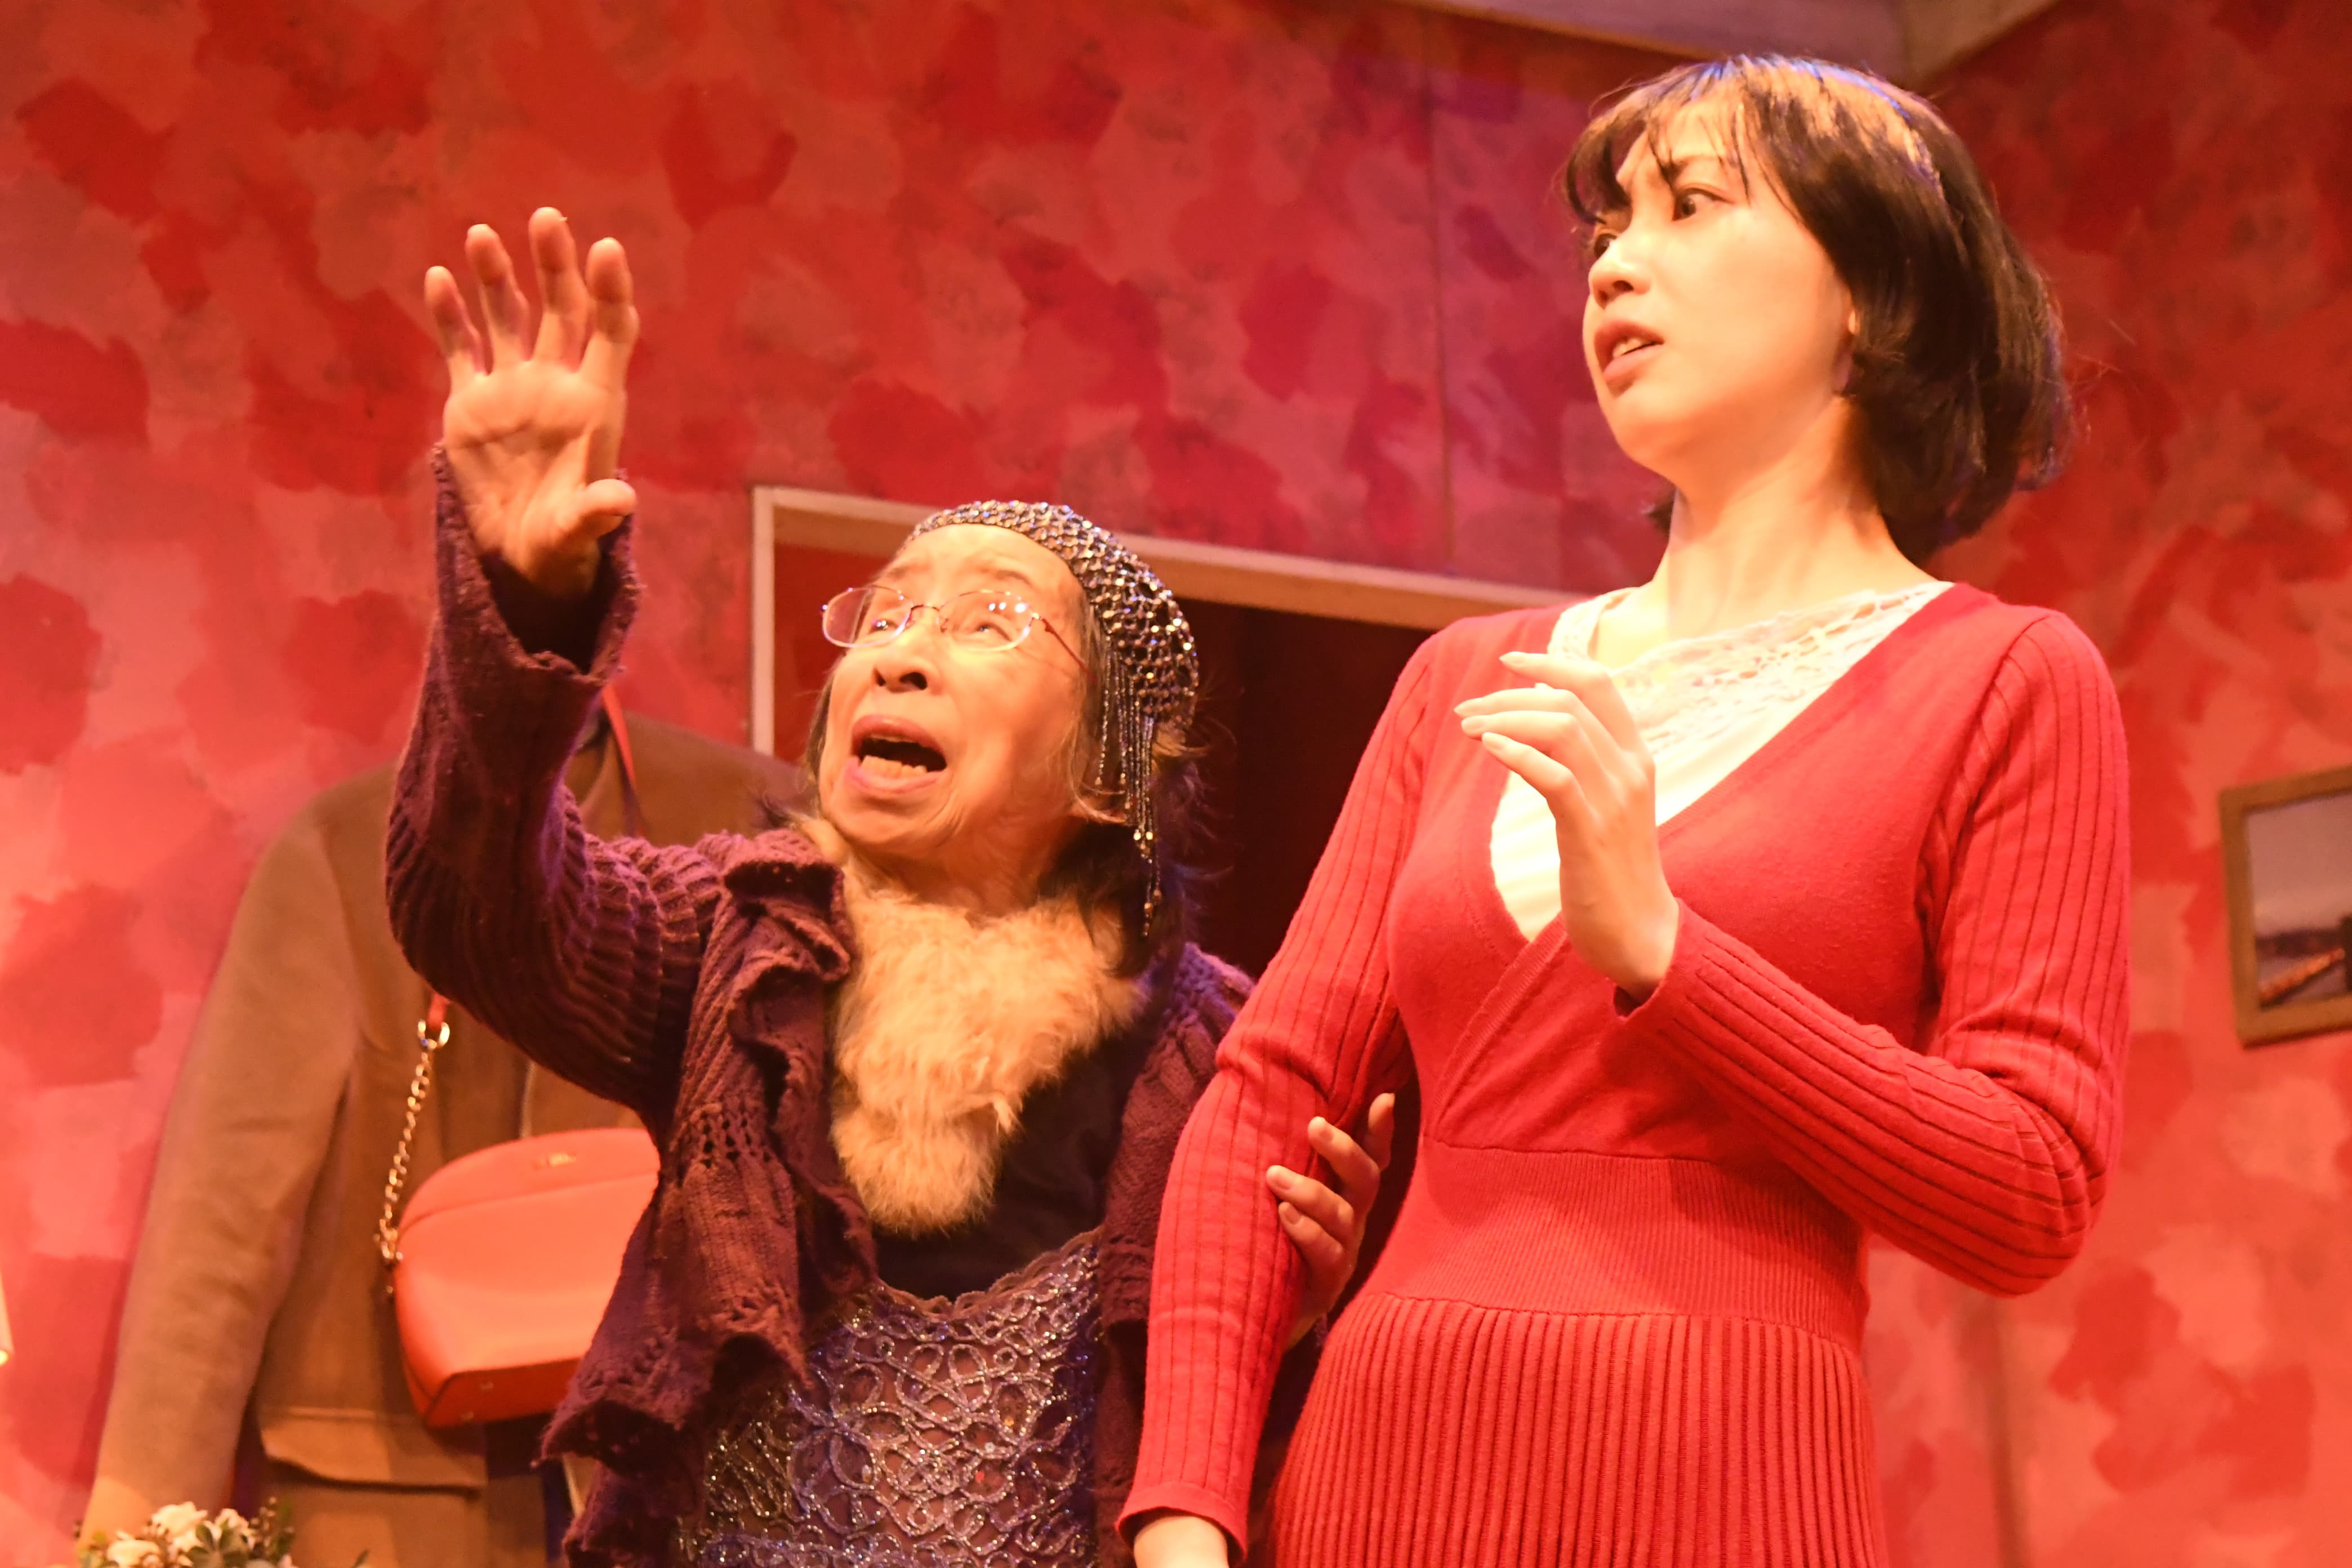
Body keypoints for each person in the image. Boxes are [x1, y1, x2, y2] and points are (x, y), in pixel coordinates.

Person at [1126, 55, 2131, 1568]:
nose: (1613, 267)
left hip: (1723, 1484)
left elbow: (2032, 1189)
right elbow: (1268, 1103)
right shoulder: (1466, 679)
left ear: (1876, 298)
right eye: (1606, 232)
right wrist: (1187, 1514)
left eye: (1691, 206)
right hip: (1377, 1480)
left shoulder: (2004, 679)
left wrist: (1667, 954)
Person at [384, 208, 1393, 1568]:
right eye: (891, 613)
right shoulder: (734, 937)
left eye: (989, 625)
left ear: (1111, 772)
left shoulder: (1223, 1055)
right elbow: (475, 913)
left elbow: (1274, 1442)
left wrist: (1309, 1316)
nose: (901, 654)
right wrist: (524, 598)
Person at [84, 691, 793, 1568]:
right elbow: (225, 1211)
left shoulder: (768, 824)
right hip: (398, 1488)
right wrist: (147, 1528)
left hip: (679, 1479)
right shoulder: (342, 852)